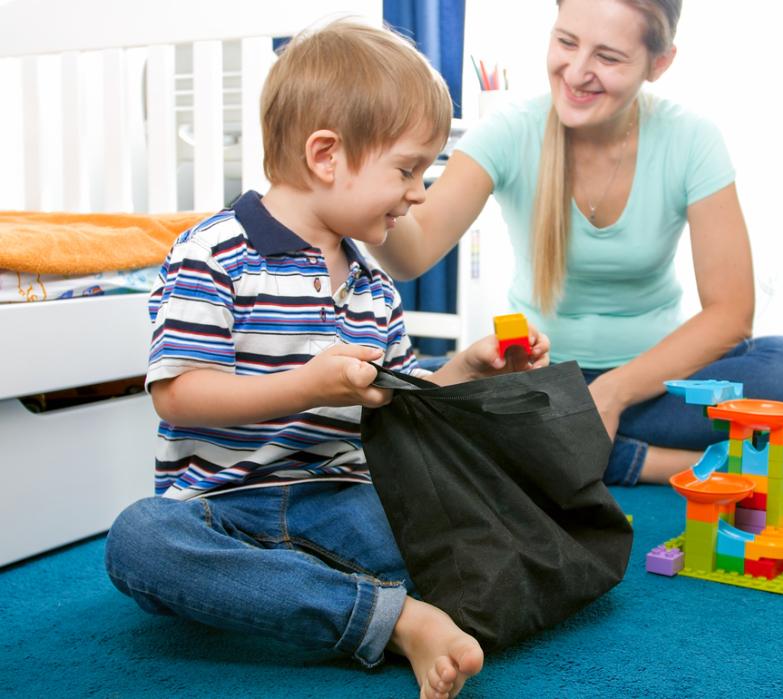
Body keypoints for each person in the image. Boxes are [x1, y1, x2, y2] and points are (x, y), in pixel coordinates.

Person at [103, 21, 550, 699]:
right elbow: (180, 393)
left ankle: (296, 596)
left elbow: (401, 398)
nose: (420, 193)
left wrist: (467, 367)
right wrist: (306, 386)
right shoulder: (213, 253)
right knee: (138, 540)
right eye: (407, 170)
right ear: (325, 156)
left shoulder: (375, 286)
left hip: (339, 498)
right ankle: (389, 617)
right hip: (220, 507)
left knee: (453, 526)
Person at [371, 0, 783, 494]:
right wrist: (367, 189)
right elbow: (413, 254)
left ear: (659, 63)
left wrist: (609, 396)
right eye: (566, 42)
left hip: (652, 390)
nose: (576, 72)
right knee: (394, 396)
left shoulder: (692, 139)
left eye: (608, 57)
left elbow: (731, 314)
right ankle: (663, 460)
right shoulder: (509, 130)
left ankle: (558, 445)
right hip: (540, 383)